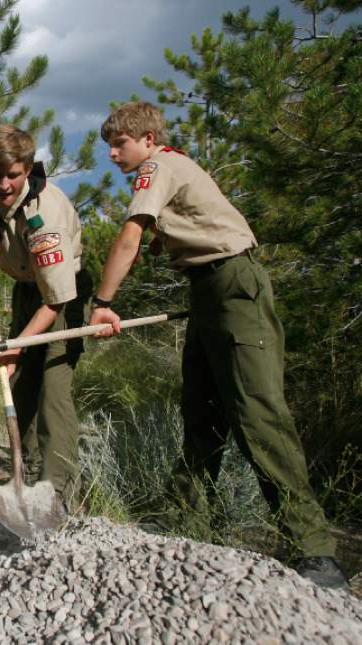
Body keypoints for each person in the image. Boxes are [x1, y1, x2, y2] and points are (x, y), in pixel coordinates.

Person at [89, 100, 347, 589]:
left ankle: (314, 550)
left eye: (119, 144)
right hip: (209, 290)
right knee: (202, 411)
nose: (113, 155)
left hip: (233, 287)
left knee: (257, 413)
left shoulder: (158, 165)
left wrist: (103, 300)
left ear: (146, 139)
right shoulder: (169, 167)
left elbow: (130, 237)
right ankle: (185, 520)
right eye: (109, 146)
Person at [0, 125, 92, 511]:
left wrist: (16, 348)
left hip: (63, 295)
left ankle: (56, 490)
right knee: (21, 384)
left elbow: (55, 301)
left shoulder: (46, 216)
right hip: (26, 289)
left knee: (51, 387)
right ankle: (29, 471)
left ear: (28, 169)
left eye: (13, 176)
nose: (3, 185)